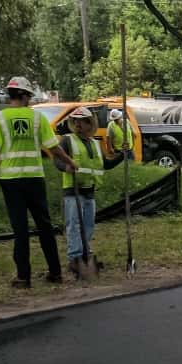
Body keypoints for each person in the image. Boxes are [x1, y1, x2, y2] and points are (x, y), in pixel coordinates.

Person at [0, 77, 78, 288]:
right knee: (44, 225)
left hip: (10, 180)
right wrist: (70, 161)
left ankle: (23, 277)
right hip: (34, 179)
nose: (30, 101)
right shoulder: (37, 118)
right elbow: (53, 147)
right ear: (24, 96)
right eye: (29, 97)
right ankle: (55, 272)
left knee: (20, 228)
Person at [54, 107, 123, 277]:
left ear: (89, 123)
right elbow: (57, 160)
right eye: (75, 121)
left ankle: (85, 254)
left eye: (82, 121)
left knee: (88, 224)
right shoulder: (67, 141)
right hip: (73, 189)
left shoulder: (95, 143)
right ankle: (74, 258)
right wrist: (65, 166)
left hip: (89, 190)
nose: (78, 124)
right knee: (73, 225)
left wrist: (123, 155)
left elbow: (105, 165)